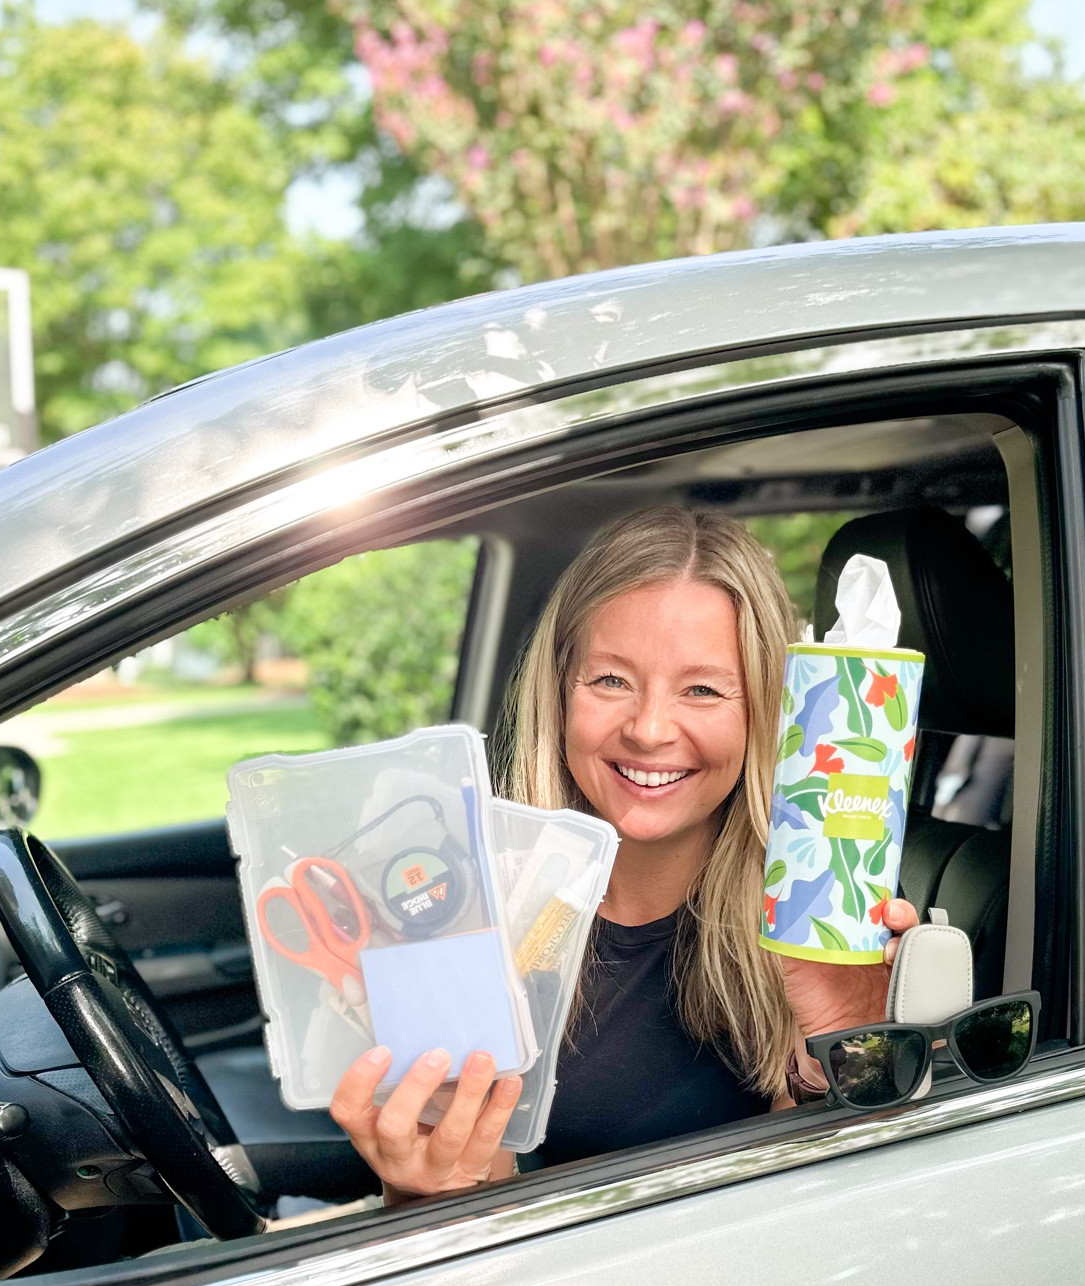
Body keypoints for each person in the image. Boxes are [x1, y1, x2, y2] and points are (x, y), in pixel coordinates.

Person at [329, 506, 916, 1200]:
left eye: (701, 689)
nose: (649, 729)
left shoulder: (821, 912)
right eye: (610, 680)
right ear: (559, 690)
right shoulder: (477, 914)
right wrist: (429, 1185)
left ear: (763, 707)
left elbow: (831, 1212)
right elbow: (471, 1217)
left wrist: (847, 1046)